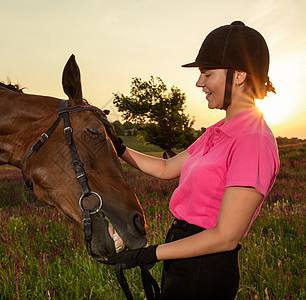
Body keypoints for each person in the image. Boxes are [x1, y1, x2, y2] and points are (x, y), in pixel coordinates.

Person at [109, 21, 280, 299]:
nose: (199, 83)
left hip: (205, 267)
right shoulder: (216, 132)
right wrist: (116, 147)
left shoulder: (253, 139)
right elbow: (166, 168)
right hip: (182, 254)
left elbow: (226, 235)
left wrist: (151, 254)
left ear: (238, 75)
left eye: (207, 73)